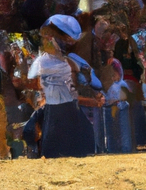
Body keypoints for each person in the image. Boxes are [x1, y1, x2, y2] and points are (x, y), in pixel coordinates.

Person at [23, 14, 96, 157]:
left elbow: (90, 82)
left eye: (69, 41)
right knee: (53, 150)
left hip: (69, 110)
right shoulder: (43, 61)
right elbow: (31, 81)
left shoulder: (73, 61)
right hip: (54, 110)